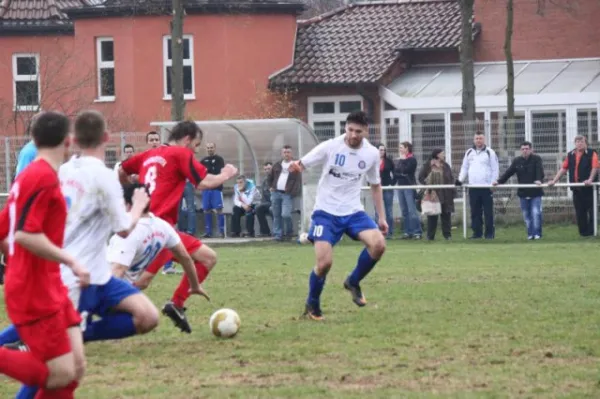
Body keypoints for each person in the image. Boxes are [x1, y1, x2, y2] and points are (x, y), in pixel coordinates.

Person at [7, 110, 160, 399]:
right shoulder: (95, 176)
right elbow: (124, 229)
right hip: (71, 276)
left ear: (74, 141)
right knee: (59, 370)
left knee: (146, 317)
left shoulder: (58, 171)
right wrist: (139, 205)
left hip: (94, 272)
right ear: (106, 138)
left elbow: (12, 226)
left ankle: (81, 330)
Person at [0, 111, 90, 398]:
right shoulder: (40, 177)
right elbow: (25, 234)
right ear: (69, 141)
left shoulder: (33, 175)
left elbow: (5, 228)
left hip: (50, 284)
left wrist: (12, 259)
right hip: (34, 289)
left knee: (74, 369)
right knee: (58, 373)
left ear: (34, 139)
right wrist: (70, 259)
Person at [119, 121, 238, 333]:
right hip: (157, 227)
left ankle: (177, 303)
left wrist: (128, 191)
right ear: (187, 139)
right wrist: (226, 174)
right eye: (196, 144)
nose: (196, 150)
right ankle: (104, 305)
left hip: (149, 223)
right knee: (141, 280)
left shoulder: (150, 154)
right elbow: (204, 182)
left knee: (207, 257)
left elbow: (122, 168)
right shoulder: (180, 154)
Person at [289, 111, 387, 321]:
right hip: (325, 212)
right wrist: (296, 167)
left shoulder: (370, 154)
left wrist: (382, 217)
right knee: (324, 264)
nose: (353, 135)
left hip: (353, 211)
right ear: (345, 128)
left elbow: (375, 185)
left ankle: (353, 281)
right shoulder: (330, 146)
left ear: (366, 131)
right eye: (350, 130)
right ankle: (312, 305)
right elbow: (302, 163)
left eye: (358, 131)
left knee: (378, 244)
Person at [108, 183, 209, 300]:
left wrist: (104, 297)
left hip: (103, 287)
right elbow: (185, 257)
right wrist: (194, 285)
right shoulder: (163, 227)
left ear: (129, 205)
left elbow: (118, 269)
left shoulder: (129, 234)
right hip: (126, 290)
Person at [493, 141, 545, 240]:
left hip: (535, 193)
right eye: (523, 149)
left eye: (527, 149)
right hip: (523, 193)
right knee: (526, 215)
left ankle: (537, 234)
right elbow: (509, 173)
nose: (525, 151)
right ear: (521, 150)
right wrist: (499, 182)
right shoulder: (517, 161)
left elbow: (540, 171)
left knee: (535, 213)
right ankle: (530, 234)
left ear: (531, 150)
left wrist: (539, 180)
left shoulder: (536, 159)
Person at [548, 135, 598, 237]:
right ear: (575, 143)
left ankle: (592, 233)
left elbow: (595, 167)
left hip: (589, 189)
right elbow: (563, 169)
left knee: (592, 212)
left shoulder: (592, 153)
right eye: (577, 142)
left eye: (581, 141)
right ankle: (583, 234)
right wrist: (554, 180)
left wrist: (590, 179)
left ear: (586, 143)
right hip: (576, 189)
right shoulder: (570, 154)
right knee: (580, 212)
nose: (579, 143)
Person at [457, 131, 499, 240]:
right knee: (475, 212)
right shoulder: (469, 152)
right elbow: (464, 167)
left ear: (484, 140)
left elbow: (495, 169)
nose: (478, 141)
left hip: (486, 187)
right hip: (473, 187)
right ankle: (477, 234)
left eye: (480, 138)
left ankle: (489, 234)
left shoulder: (490, 152)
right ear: (474, 140)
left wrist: (493, 182)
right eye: (476, 138)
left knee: (488, 212)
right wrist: (460, 180)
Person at [418, 149, 455, 240]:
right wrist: (428, 185)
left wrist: (452, 190)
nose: (444, 155)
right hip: (433, 194)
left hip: (446, 194)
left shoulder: (446, 165)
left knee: (446, 215)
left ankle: (447, 235)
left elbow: (450, 177)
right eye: (442, 153)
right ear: (437, 155)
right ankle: (430, 236)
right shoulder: (428, 165)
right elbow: (421, 177)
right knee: (432, 216)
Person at [268, 145, 302, 241]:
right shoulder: (277, 165)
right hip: (276, 193)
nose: (286, 154)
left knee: (285, 214)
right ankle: (278, 235)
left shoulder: (295, 165)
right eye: (284, 152)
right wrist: (271, 187)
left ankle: (289, 232)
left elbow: (298, 181)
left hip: (287, 194)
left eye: (288, 152)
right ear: (282, 154)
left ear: (291, 154)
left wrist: (292, 192)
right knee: (276, 215)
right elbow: (270, 177)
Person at [394, 142, 422, 239]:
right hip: (400, 187)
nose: (400, 149)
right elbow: (396, 173)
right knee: (404, 211)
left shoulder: (412, 159)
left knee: (412, 210)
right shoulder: (400, 160)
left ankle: (417, 232)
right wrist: (401, 170)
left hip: (409, 187)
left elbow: (406, 170)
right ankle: (407, 231)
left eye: (401, 147)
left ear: (407, 148)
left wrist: (403, 162)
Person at [200, 142, 226, 238]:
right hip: (206, 188)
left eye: (211, 147)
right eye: (208, 148)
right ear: (206, 149)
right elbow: (201, 174)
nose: (210, 149)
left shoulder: (219, 159)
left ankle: (222, 231)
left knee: (219, 209)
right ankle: (208, 232)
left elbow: (220, 172)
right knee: (206, 210)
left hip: (217, 188)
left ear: (214, 148)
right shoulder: (203, 160)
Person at [376, 143, 395, 239]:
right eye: (380, 149)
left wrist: (392, 183)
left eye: (383, 150)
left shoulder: (389, 161)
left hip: (387, 187)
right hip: (377, 188)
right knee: (377, 211)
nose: (382, 151)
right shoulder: (373, 161)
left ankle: (390, 232)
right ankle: (378, 232)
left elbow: (395, 172)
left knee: (389, 210)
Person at [255, 162, 273, 237]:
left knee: (273, 209)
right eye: (265, 169)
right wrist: (262, 204)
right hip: (267, 203)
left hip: (276, 202)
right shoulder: (265, 181)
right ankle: (265, 232)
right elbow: (263, 196)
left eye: (269, 169)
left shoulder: (277, 179)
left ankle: (278, 231)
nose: (267, 171)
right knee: (258, 208)